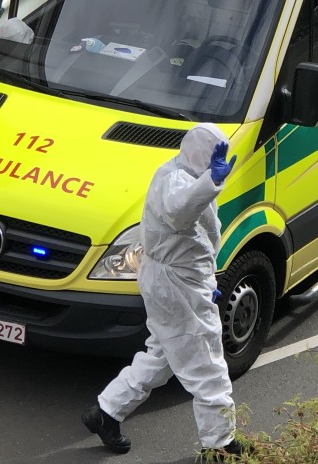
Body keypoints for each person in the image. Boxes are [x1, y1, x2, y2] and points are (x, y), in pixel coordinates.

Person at [83, 123, 251, 462]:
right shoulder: (176, 181)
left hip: (179, 281)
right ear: (201, 152)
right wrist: (211, 181)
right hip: (177, 284)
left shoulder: (183, 176)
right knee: (207, 364)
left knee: (161, 355)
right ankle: (219, 444)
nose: (218, 162)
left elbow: (195, 243)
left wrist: (208, 284)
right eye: (215, 155)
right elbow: (179, 213)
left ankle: (106, 411)